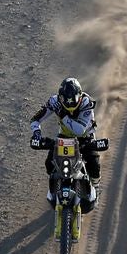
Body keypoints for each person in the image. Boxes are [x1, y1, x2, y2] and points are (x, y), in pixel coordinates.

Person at [30, 76, 100, 208]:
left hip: (85, 136)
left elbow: (80, 131)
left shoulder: (87, 103)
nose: (70, 104)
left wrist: (63, 115)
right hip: (64, 136)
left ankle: (95, 186)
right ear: (60, 97)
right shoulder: (54, 101)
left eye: (74, 100)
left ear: (79, 95)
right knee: (50, 163)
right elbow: (35, 119)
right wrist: (36, 133)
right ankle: (56, 187)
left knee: (94, 162)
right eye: (66, 101)